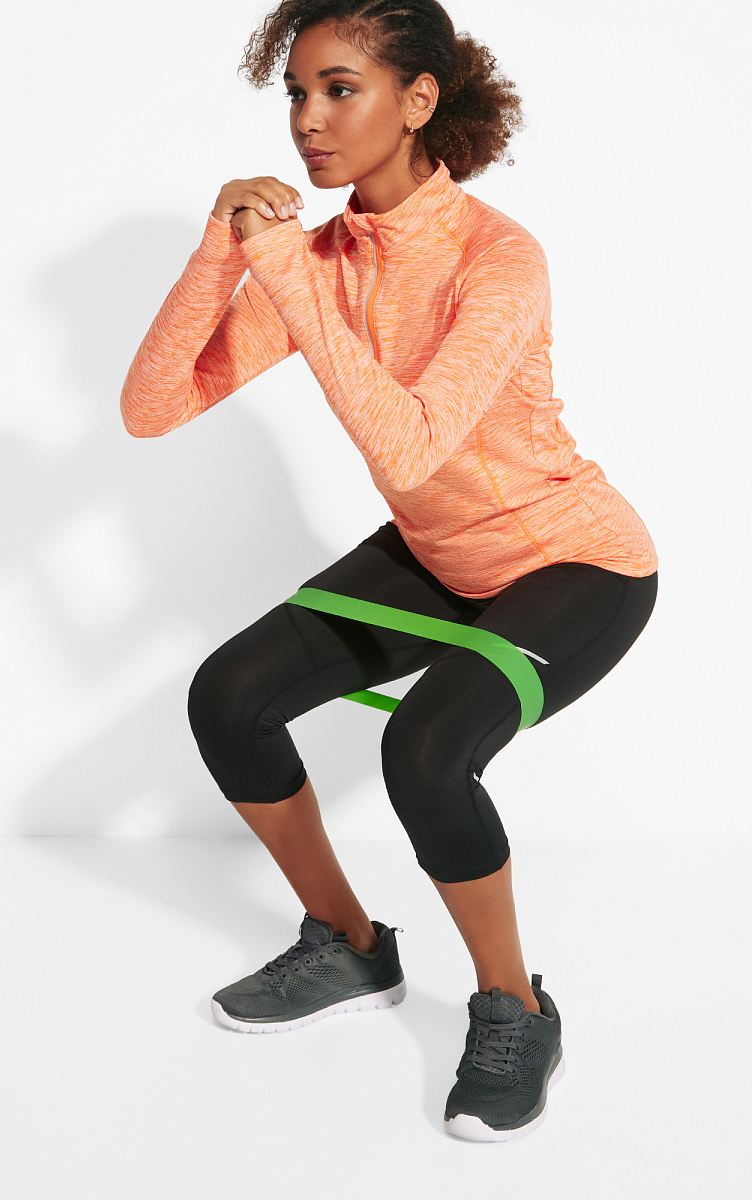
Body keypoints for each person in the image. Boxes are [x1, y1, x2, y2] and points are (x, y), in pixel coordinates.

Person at [120, 0, 657, 1142]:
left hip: (573, 558)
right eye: (296, 94)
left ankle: (516, 1008)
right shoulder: (322, 258)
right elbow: (152, 407)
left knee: (425, 747)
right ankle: (352, 947)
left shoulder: (497, 257)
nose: (307, 121)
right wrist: (221, 250)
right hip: (438, 553)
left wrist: (282, 269)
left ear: (418, 101)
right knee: (229, 697)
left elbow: (410, 445)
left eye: (339, 90)